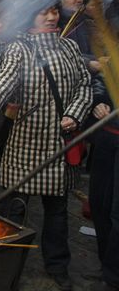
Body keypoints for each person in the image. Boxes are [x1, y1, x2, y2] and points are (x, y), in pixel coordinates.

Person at [0, 0, 92, 291]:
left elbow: (84, 86)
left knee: (57, 213)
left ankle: (57, 266)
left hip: (58, 146)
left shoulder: (69, 47)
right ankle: (9, 266)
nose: (51, 17)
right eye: (43, 12)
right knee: (16, 212)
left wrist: (75, 115)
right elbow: (5, 80)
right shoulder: (19, 49)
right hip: (25, 144)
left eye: (53, 10)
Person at [88, 75, 119, 291]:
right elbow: (100, 81)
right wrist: (98, 101)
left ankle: (113, 277)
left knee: (118, 212)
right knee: (99, 204)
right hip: (107, 137)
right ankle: (105, 264)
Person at [58, 0, 97, 71]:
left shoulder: (83, 20)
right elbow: (63, 54)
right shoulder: (57, 24)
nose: (79, 0)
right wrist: (89, 62)